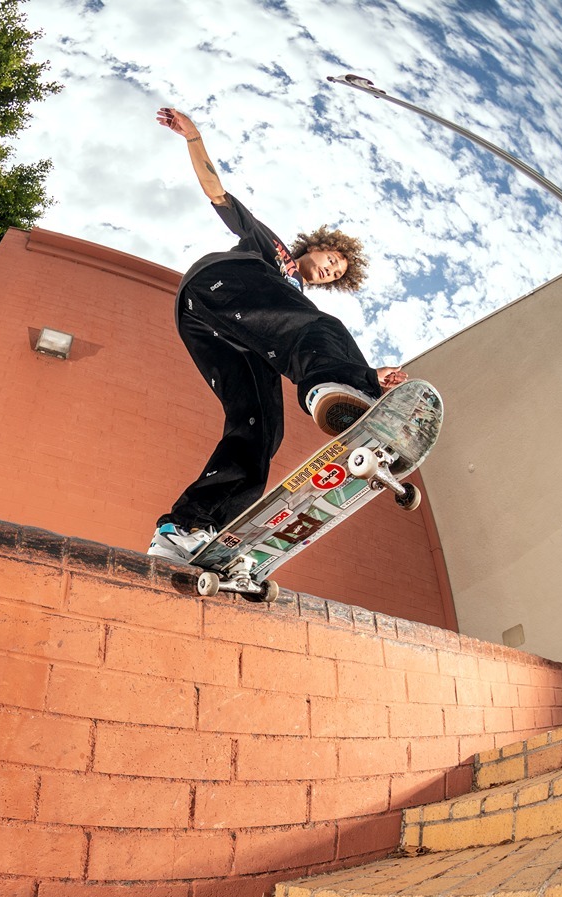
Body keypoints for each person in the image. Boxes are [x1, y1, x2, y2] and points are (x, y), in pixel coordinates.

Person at [147, 106, 408, 564]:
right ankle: (337, 386)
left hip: (223, 334)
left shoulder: (292, 302)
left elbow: (290, 326)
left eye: (336, 275)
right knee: (321, 325)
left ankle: (187, 529)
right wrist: (194, 138)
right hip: (221, 286)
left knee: (260, 428)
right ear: (317, 246)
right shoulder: (274, 250)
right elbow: (217, 193)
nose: (329, 270)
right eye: (332, 260)